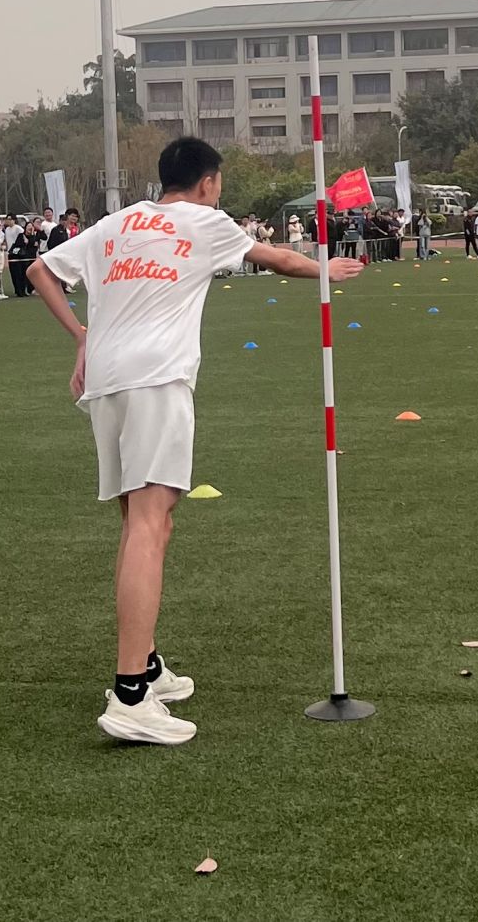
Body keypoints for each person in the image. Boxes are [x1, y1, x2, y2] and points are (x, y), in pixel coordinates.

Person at [26, 136, 367, 746]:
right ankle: (130, 694)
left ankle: (146, 665)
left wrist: (82, 336)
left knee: (142, 523)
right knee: (149, 525)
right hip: (158, 379)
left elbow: (39, 271)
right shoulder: (206, 222)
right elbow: (277, 259)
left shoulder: (116, 223)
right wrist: (328, 270)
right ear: (208, 182)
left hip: (107, 382)